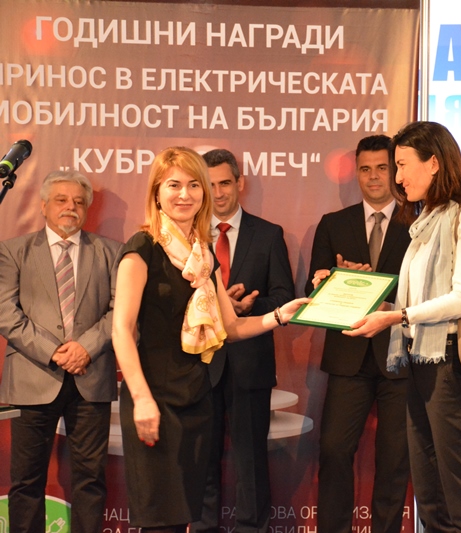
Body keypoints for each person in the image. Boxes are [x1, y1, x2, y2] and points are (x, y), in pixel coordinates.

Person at [112, 146, 308, 532]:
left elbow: (231, 328)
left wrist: (278, 316)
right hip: (155, 401)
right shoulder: (141, 248)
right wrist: (142, 399)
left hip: (196, 399)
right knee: (160, 522)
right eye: (173, 185)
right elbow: (121, 330)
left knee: (184, 516)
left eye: (193, 185)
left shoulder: (203, 256)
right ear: (156, 193)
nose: (184, 194)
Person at [342, 121, 461, 532]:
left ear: (433, 163)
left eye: (401, 165)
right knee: (431, 498)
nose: (396, 177)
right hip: (420, 361)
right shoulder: (429, 218)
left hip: (452, 366)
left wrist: (399, 316)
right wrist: (372, 305)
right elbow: (416, 302)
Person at [0, 170, 120, 533]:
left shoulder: (112, 252)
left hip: (91, 377)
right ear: (43, 206)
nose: (71, 207)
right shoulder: (13, 250)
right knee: (26, 481)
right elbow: (6, 313)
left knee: (90, 480)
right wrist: (55, 352)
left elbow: (121, 311)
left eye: (79, 201)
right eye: (61, 200)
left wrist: (86, 348)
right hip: (32, 377)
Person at [306, 134, 412, 533]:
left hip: (400, 356)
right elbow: (313, 290)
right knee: (334, 450)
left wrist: (378, 290)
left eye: (382, 168)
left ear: (395, 170)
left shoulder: (417, 223)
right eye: (365, 169)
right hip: (348, 356)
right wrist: (331, 280)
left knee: (394, 459)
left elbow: (428, 290)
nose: (373, 177)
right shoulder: (334, 224)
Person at [191, 149, 294, 533]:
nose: (218, 193)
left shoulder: (268, 234)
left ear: (240, 183)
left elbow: (284, 297)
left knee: (251, 462)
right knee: (202, 459)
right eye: (210, 185)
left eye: (225, 183)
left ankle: (253, 528)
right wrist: (216, 307)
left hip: (250, 365)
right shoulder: (188, 235)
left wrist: (247, 306)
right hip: (200, 364)